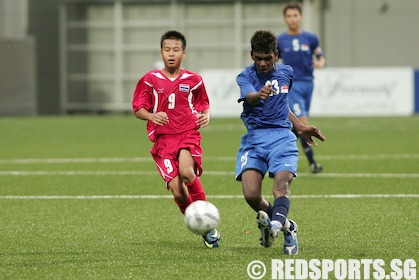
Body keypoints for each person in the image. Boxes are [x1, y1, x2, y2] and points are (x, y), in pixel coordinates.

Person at [235, 30, 325, 254]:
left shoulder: (287, 73)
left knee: (281, 186)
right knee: (251, 195)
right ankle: (287, 226)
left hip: (283, 138)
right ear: (252, 55)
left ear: (276, 55)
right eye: (258, 58)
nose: (263, 63)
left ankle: (274, 225)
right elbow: (249, 97)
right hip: (254, 139)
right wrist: (259, 93)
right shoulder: (245, 77)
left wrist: (300, 127)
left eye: (267, 58)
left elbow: (282, 105)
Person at [132, 30, 220, 248]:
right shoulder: (150, 79)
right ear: (161, 52)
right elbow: (137, 108)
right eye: (167, 50)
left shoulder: (194, 80)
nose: (171, 54)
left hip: (187, 133)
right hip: (163, 140)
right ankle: (198, 222)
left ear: (184, 53)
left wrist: (206, 115)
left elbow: (204, 104)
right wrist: (152, 115)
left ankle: (208, 225)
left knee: (187, 172)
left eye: (176, 50)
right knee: (179, 192)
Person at [277, 1, 326, 173]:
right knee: (303, 124)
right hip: (292, 86)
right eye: (289, 16)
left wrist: (320, 62)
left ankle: (280, 156)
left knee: (296, 127)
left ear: (301, 17)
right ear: (285, 18)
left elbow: (320, 55)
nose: (292, 19)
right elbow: (273, 61)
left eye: (295, 15)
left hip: (308, 84)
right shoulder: (281, 40)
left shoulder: (310, 38)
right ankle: (313, 163)